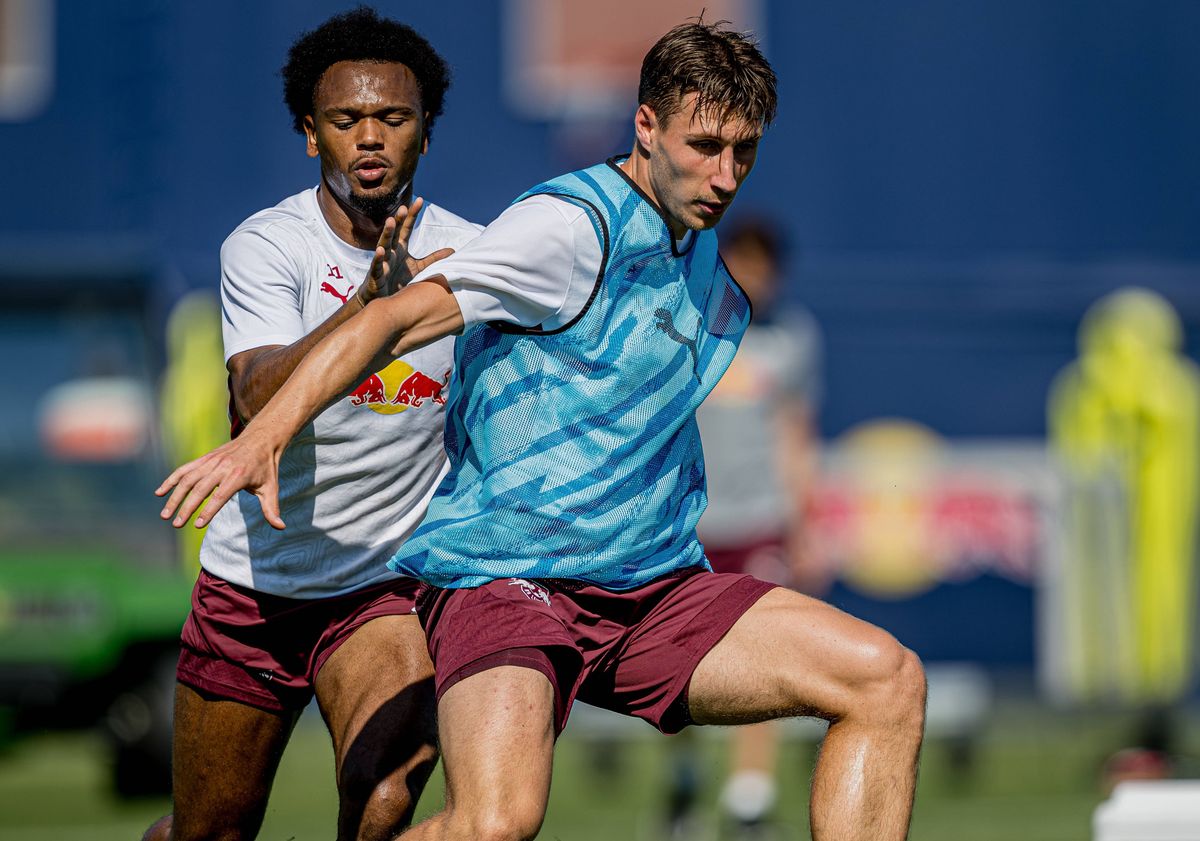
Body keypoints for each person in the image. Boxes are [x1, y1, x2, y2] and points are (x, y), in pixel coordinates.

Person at [157, 21, 926, 841]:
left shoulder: (701, 265)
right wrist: (263, 434)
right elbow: (391, 320)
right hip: (499, 579)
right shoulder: (563, 230)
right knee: (487, 823)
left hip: (631, 587)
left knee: (887, 678)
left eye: (745, 153)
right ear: (645, 126)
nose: (725, 175)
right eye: (704, 145)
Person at [143, 9, 481, 841]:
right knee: (208, 833)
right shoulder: (265, 246)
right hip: (255, 586)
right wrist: (370, 304)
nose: (370, 137)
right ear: (309, 135)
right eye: (345, 119)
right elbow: (257, 399)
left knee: (387, 797)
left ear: (426, 134)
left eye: (394, 118)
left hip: (382, 586)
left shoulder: (475, 254)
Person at [672, 216, 826, 839]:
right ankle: (682, 778)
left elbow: (795, 433)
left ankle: (749, 796)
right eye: (744, 262)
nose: (754, 277)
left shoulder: (792, 340)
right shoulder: (689, 322)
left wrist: (805, 522)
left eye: (765, 266)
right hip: (691, 521)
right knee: (682, 662)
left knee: (765, 659)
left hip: (761, 520)